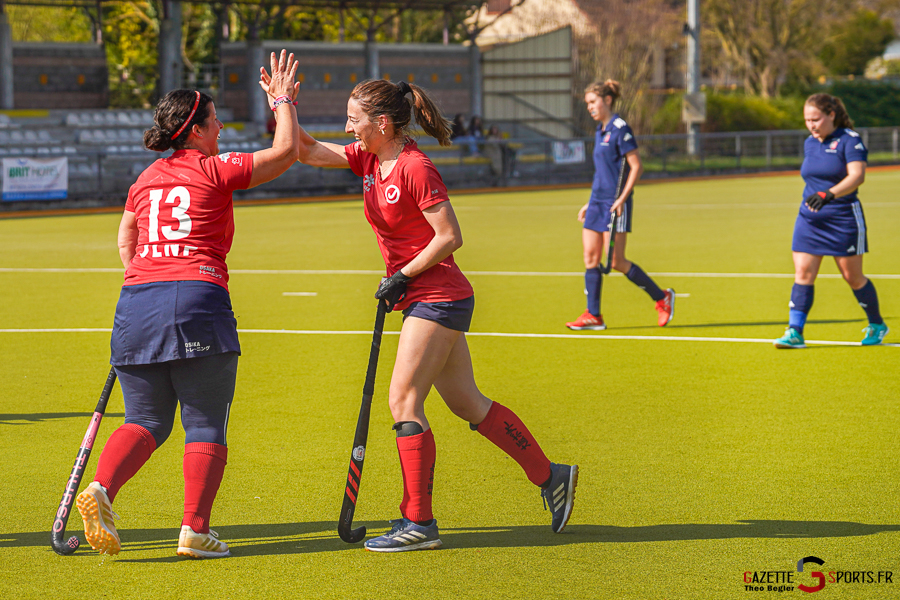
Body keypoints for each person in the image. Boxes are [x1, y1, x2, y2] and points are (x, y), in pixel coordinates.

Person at [261, 73, 578, 551]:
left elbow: (449, 236)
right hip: (422, 294)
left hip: (437, 294)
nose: (348, 128)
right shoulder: (368, 157)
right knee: (467, 402)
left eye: (354, 119)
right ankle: (551, 475)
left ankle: (419, 523)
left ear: (383, 123)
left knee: (404, 401)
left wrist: (403, 275)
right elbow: (302, 149)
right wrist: (282, 103)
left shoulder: (414, 167)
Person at [75, 50, 300, 558]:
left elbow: (126, 237)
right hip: (196, 294)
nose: (220, 127)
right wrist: (281, 99)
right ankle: (194, 530)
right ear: (196, 129)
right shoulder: (215, 169)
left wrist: (142, 276)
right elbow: (285, 152)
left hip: (136, 301)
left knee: (144, 422)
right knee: (204, 423)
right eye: (215, 119)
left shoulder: (144, 180)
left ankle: (103, 489)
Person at [773, 93, 887, 348]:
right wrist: (818, 197)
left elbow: (857, 176)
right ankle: (794, 332)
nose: (811, 125)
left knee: (853, 277)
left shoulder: (850, 141)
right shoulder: (809, 143)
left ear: (831, 115)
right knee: (803, 272)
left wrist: (830, 194)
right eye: (807, 120)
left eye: (816, 119)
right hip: (810, 220)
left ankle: (877, 324)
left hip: (843, 218)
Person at [566, 79, 674, 331]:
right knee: (590, 257)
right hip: (597, 202)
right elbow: (602, 173)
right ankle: (593, 315)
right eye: (588, 104)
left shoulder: (620, 129)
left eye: (593, 102)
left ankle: (662, 297)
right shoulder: (600, 130)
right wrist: (589, 202)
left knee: (616, 261)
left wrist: (622, 199)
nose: (590, 107)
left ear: (607, 100)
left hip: (617, 204)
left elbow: (636, 166)